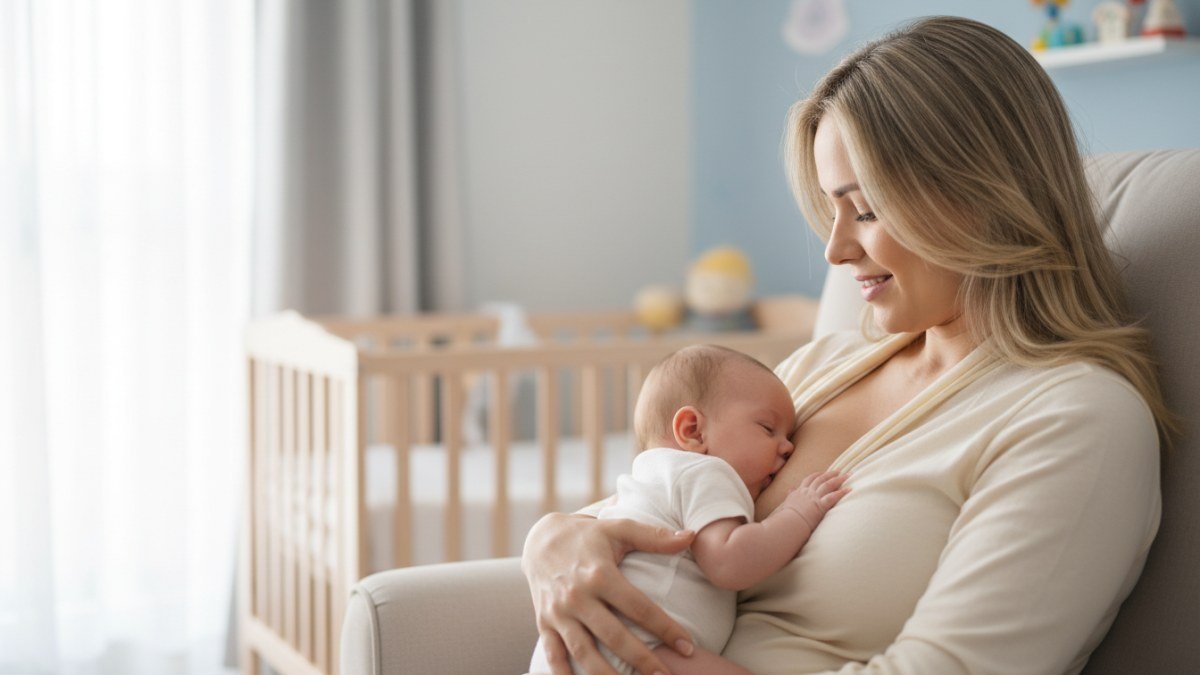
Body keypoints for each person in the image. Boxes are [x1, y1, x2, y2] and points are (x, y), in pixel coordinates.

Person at [521, 15, 1175, 675]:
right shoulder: (812, 371)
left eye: (864, 209)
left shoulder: (1075, 419)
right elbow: (656, 514)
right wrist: (554, 538)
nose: (835, 250)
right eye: (831, 212)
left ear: (982, 195)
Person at [528, 345, 851, 675]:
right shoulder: (705, 471)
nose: (788, 447)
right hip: (635, 649)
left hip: (576, 651)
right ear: (693, 431)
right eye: (768, 429)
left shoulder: (646, 477)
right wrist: (799, 512)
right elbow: (730, 562)